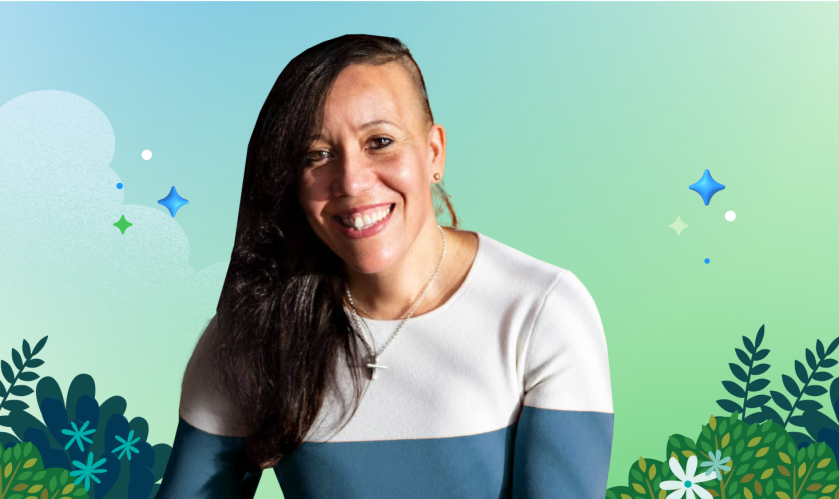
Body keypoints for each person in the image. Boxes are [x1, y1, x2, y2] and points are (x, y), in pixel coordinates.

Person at [155, 34, 614, 499]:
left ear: (434, 153)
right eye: (317, 155)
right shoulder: (254, 328)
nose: (351, 182)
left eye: (380, 142)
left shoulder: (542, 311)